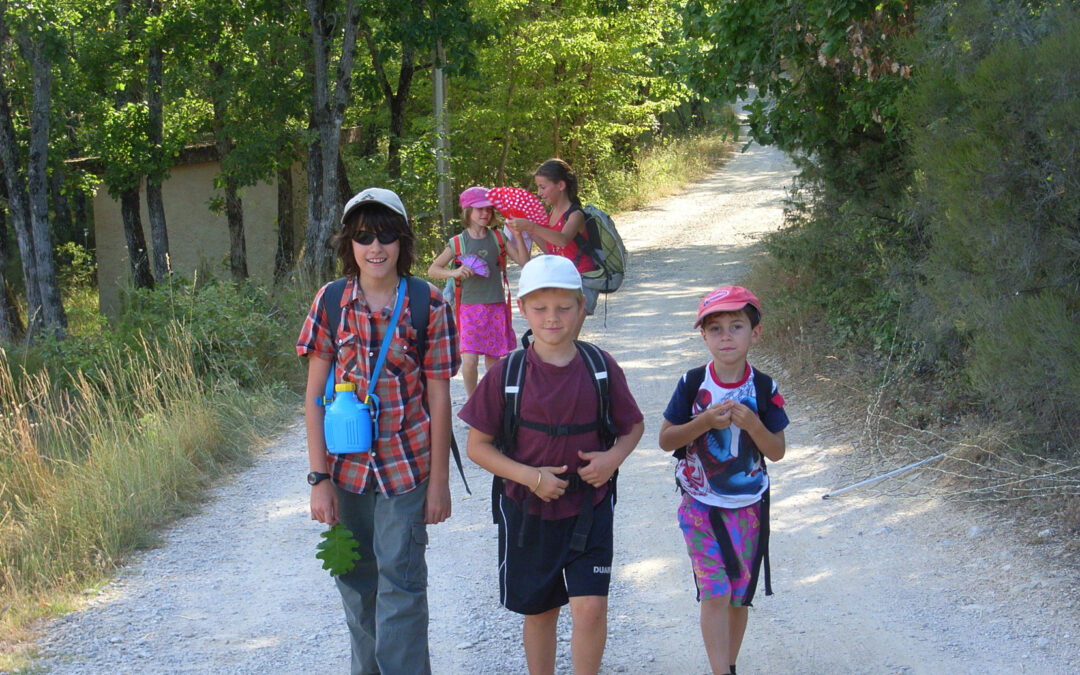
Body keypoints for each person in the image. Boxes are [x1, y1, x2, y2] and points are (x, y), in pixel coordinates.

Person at [296, 187, 460, 675]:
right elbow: (313, 397)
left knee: (402, 586)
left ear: (402, 242)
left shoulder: (427, 303)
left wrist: (439, 484)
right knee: (356, 585)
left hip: (406, 471)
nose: (375, 247)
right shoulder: (330, 302)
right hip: (345, 474)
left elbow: (439, 397)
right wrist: (318, 479)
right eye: (364, 236)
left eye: (386, 236)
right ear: (349, 243)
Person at [459, 255, 644, 675]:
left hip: (590, 508)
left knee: (591, 609)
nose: (552, 318)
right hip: (528, 512)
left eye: (563, 307)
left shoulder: (600, 367)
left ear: (581, 307)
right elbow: (477, 447)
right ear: (522, 309)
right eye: (540, 308)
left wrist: (612, 459)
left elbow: (633, 426)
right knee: (541, 612)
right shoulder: (507, 374)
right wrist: (531, 477)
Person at [657, 286, 789, 675]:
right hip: (699, 505)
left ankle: (728, 664)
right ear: (704, 336)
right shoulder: (692, 382)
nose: (726, 337)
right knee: (714, 592)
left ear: (755, 333)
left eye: (736, 326)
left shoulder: (764, 388)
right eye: (715, 329)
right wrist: (702, 422)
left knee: (737, 597)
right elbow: (666, 440)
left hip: (748, 508)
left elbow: (777, 451)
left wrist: (753, 425)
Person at [428, 186, 530, 397]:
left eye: (489, 209)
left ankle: (493, 399)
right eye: (480, 209)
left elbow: (524, 262)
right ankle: (473, 400)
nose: (485, 213)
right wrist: (455, 272)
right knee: (470, 360)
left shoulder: (498, 238)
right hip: (469, 309)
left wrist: (518, 236)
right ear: (468, 211)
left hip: (495, 306)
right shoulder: (458, 242)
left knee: (494, 361)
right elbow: (433, 269)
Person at [507, 158, 598, 333]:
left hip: (582, 280)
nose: (539, 193)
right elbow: (551, 249)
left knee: (567, 337)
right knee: (561, 337)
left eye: (543, 187)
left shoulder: (575, 214)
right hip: (562, 279)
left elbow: (562, 240)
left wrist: (532, 227)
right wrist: (525, 231)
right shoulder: (552, 213)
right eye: (538, 187)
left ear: (561, 185)